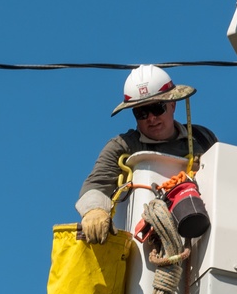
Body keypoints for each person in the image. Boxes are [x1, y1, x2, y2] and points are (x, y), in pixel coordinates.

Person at [76, 65, 217, 244]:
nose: (151, 118)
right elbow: (96, 185)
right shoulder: (123, 147)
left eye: (157, 108)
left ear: (172, 104)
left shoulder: (202, 139)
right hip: (144, 247)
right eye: (142, 112)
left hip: (203, 238)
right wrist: (94, 210)